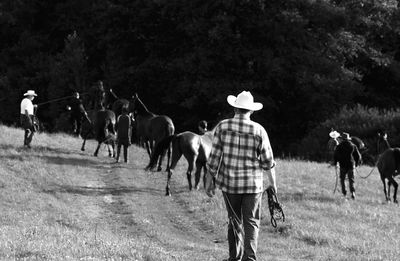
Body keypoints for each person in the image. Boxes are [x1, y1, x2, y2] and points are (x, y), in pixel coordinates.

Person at [205, 91, 277, 261]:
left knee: (234, 220)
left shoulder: (222, 126)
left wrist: (209, 180)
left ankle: (234, 257)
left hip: (230, 184)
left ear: (235, 108)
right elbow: (268, 161)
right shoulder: (259, 130)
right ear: (251, 111)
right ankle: (250, 258)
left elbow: (214, 157)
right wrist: (273, 184)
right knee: (251, 221)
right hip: (253, 185)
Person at [333, 132, 362, 200]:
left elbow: (335, 155)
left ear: (342, 139)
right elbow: (358, 156)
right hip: (351, 165)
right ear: (348, 139)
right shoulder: (353, 145)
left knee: (342, 180)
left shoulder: (339, 146)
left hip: (342, 165)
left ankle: (344, 193)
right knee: (351, 180)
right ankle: (352, 193)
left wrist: (335, 163)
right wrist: (357, 164)